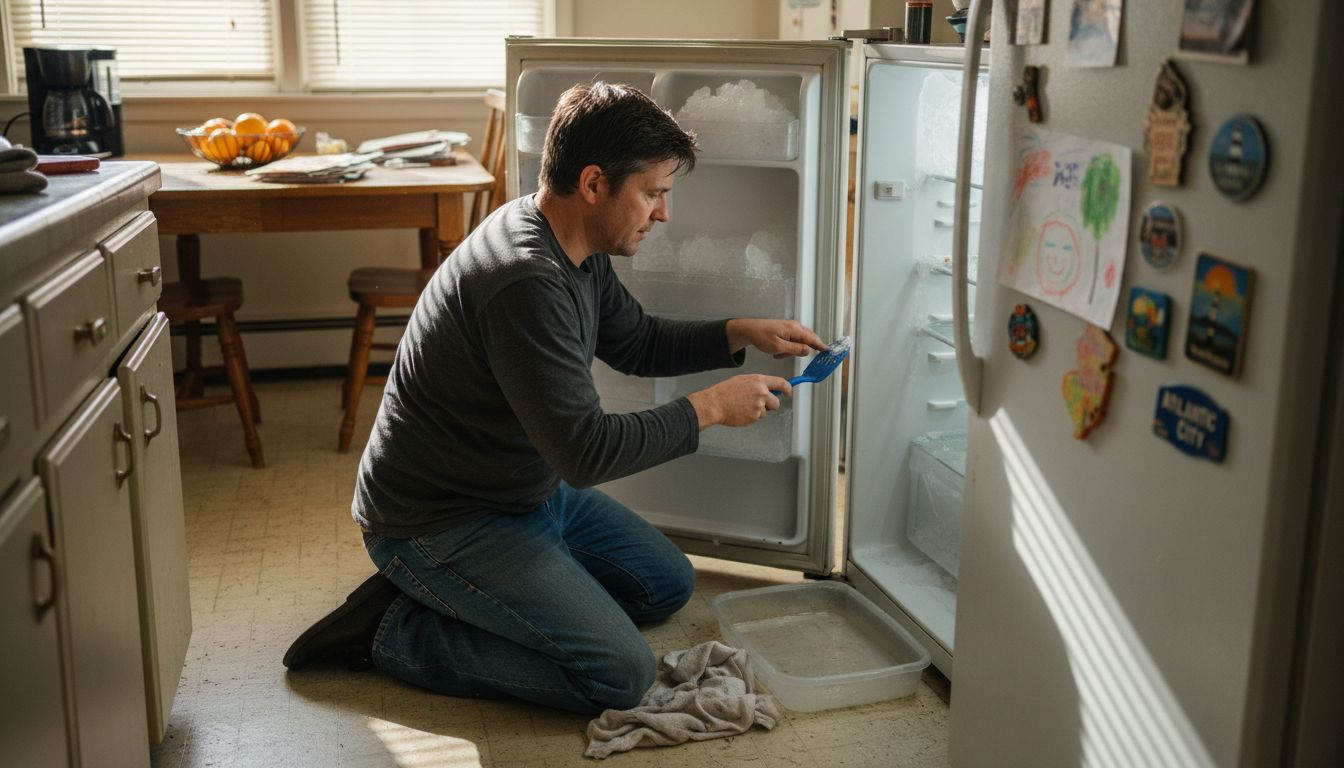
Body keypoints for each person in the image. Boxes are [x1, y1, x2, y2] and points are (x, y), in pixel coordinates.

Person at [283, 82, 829, 715]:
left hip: (523, 490)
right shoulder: (525, 280)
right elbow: (586, 453)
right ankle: (391, 631)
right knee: (617, 675)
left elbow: (636, 343)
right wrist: (709, 408)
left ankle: (480, 596)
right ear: (593, 184)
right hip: (440, 519)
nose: (663, 214)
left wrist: (737, 333)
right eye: (652, 193)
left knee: (666, 585)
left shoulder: (573, 242)